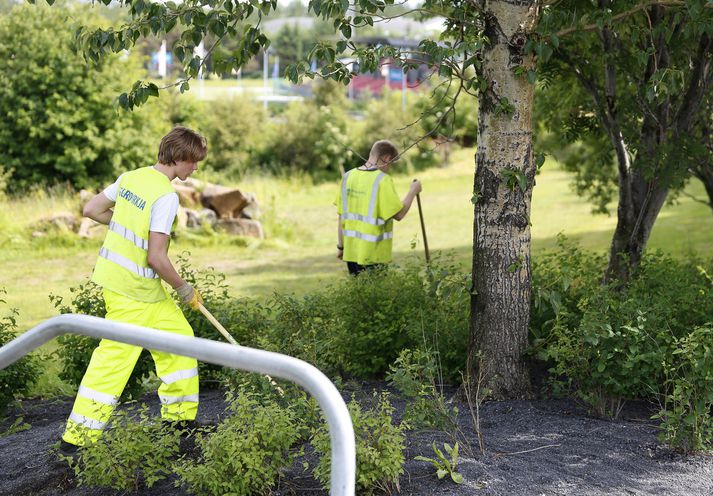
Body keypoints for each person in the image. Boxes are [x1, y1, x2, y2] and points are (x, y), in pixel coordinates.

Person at [59, 126, 207, 456]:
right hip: (133, 291)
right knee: (114, 361)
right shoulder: (166, 197)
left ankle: (179, 421)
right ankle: (76, 439)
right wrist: (184, 289)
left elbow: (92, 210)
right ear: (180, 158)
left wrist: (125, 224)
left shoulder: (132, 177)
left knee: (180, 341)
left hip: (136, 288)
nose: (195, 168)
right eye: (194, 162)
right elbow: (156, 257)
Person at [336, 140, 422, 275]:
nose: (390, 168)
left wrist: (341, 246)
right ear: (386, 158)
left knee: (359, 294)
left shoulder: (347, 177)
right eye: (391, 163)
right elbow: (399, 214)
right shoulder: (382, 180)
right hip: (373, 255)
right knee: (375, 295)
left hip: (351, 253)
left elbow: (341, 217)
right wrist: (413, 191)